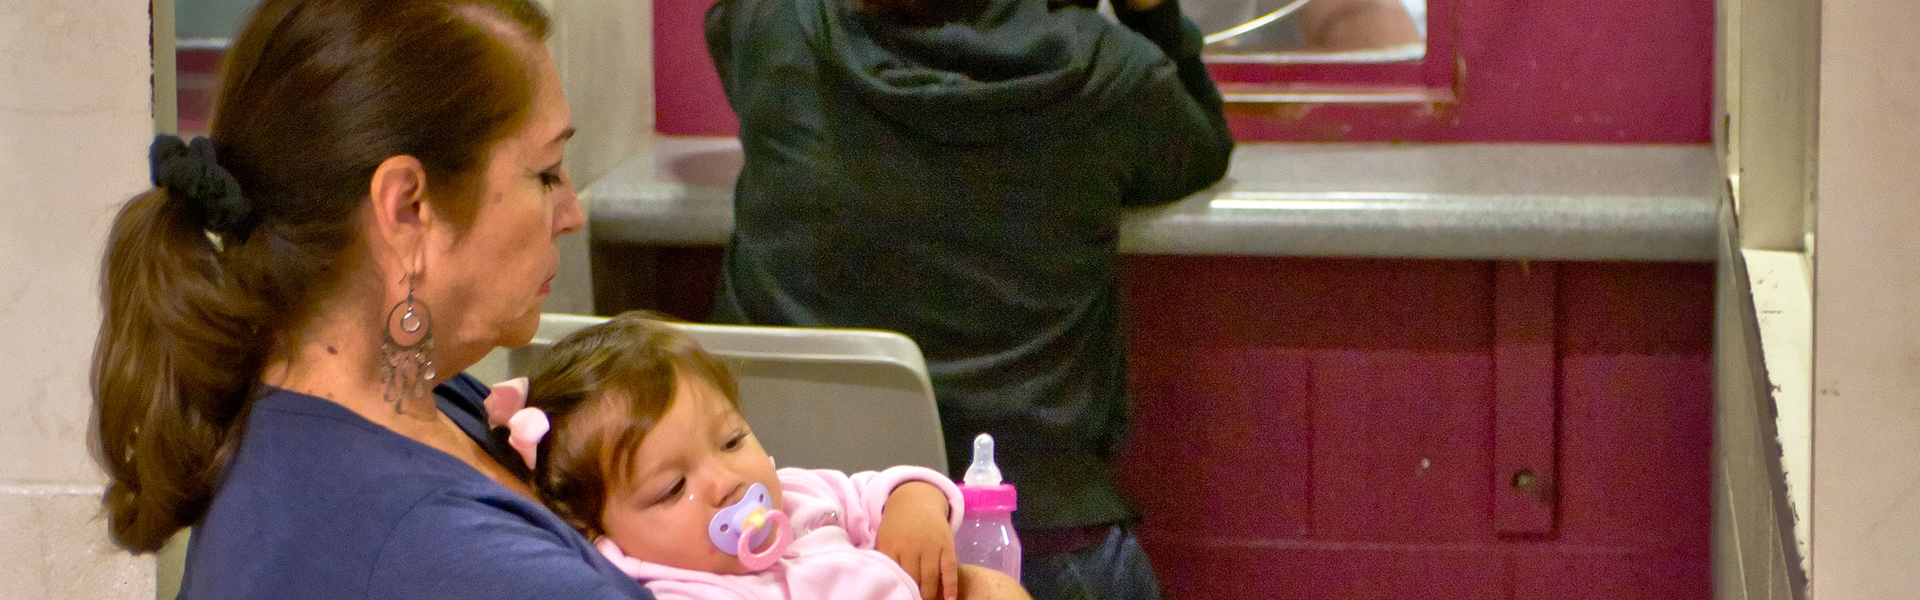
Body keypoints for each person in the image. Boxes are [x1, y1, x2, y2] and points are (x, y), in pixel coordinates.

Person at [90, 1, 652, 597]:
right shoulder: (453, 553)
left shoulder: (402, 398)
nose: (571, 213)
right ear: (408, 207)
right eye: (546, 173)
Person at [703, 0, 1234, 597]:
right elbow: (1202, 148)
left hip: (789, 545)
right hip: (1032, 531)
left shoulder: (771, 29)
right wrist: (1154, 13)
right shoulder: (1108, 75)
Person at [507, 312, 1032, 600]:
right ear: (602, 538)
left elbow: (878, 488)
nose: (726, 481)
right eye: (672, 488)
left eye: (732, 441)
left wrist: (914, 506)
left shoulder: (803, 497)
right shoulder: (667, 589)